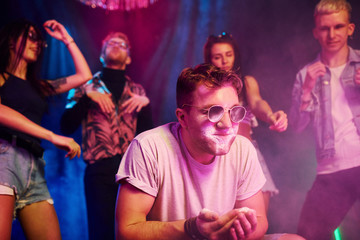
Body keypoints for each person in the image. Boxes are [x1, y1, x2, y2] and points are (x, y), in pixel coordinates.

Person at [115, 64, 304, 240]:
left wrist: (235, 231)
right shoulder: (149, 147)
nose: (227, 124)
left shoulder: (242, 148)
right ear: (183, 117)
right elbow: (126, 230)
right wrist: (192, 229)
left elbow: (260, 219)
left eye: (234, 111)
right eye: (213, 112)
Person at [0, 19, 92, 239]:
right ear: (12, 41)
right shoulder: (1, 77)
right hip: (4, 156)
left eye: (39, 40)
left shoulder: (39, 87)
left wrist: (66, 39)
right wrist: (51, 136)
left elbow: (84, 76)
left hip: (33, 166)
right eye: (30, 36)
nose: (37, 43)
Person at [60, 31, 152, 240]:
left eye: (122, 43)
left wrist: (146, 106)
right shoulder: (84, 85)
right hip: (98, 171)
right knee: (101, 231)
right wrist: (86, 97)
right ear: (102, 54)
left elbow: (147, 137)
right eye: (111, 42)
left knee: (132, 232)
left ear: (129, 57)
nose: (117, 44)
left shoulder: (137, 90)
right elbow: (65, 126)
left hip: (132, 173)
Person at [289, 0, 360, 239]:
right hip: (330, 171)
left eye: (338, 27)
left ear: (350, 29)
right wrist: (307, 90)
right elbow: (296, 127)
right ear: (315, 32)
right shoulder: (304, 74)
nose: (332, 34)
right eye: (325, 28)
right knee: (305, 236)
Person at [203, 32, 288, 212]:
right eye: (218, 57)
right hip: (219, 156)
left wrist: (271, 116)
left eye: (229, 55)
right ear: (210, 60)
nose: (225, 61)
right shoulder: (206, 87)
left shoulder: (246, 82)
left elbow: (257, 103)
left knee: (258, 214)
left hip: (249, 152)